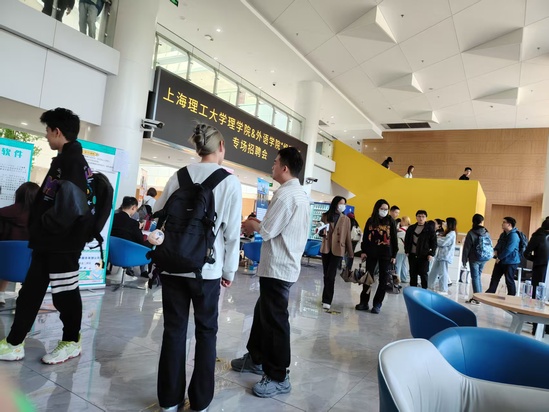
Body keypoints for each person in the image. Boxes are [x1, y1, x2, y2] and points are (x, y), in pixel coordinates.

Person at [154, 124, 242, 412]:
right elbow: (232, 235)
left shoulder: (178, 176)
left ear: (198, 147)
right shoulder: (229, 182)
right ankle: (200, 402)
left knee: (173, 330)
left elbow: (159, 213)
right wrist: (229, 272)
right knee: (206, 332)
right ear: (221, 147)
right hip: (207, 270)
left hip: (172, 266)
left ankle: (169, 401)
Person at [0, 108, 92, 364]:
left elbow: (70, 208)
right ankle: (14, 342)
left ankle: (71, 341)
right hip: (48, 242)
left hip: (62, 243)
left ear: (57, 131)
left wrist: (43, 224)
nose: (46, 136)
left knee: (65, 294)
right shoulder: (65, 160)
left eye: (47, 131)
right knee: (30, 292)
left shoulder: (72, 162)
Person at [230, 147, 309, 399]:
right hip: (281, 265)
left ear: (284, 168)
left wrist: (251, 224)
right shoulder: (298, 193)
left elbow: (267, 231)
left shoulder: (286, 196)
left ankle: (278, 376)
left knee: (275, 322)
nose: (272, 166)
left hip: (279, 266)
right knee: (263, 313)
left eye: (275, 163)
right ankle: (256, 358)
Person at [0, 182, 40, 304]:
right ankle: (28, 297)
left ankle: (0, 294)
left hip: (3, 267)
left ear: (18, 195)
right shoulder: (41, 219)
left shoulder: (2, 213)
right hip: (30, 270)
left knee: (7, 256)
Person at [356, 199, 398, 314]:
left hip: (386, 254)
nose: (384, 211)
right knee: (368, 278)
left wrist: (394, 255)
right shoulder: (371, 220)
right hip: (371, 253)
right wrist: (363, 251)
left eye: (386, 209)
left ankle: (377, 304)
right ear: (377, 209)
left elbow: (394, 238)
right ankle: (364, 302)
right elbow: (365, 236)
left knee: (383, 280)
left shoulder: (391, 221)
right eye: (382, 209)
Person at [318, 196, 353, 310]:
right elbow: (320, 231)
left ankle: (327, 300)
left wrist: (351, 253)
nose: (343, 206)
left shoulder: (346, 219)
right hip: (326, 247)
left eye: (344, 204)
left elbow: (347, 236)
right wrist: (321, 232)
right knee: (326, 274)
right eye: (340, 203)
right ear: (335, 204)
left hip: (338, 249)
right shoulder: (325, 216)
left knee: (331, 275)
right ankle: (325, 298)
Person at [110, 196, 150, 277]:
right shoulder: (133, 223)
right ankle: (143, 271)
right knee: (149, 243)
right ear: (133, 207)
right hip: (128, 255)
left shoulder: (112, 218)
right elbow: (140, 240)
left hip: (111, 253)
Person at [524, 217, 549, 334]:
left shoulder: (537, 236)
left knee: (538, 296)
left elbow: (526, 253)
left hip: (540, 268)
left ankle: (536, 326)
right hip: (546, 269)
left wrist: (537, 259)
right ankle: (546, 327)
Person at [486, 217, 520, 296]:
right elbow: (499, 244)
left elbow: (509, 249)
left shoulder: (514, 236)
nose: (502, 224)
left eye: (504, 222)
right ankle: (489, 294)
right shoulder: (503, 234)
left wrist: (500, 257)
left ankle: (511, 297)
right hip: (500, 260)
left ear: (509, 224)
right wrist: (495, 250)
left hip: (510, 262)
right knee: (494, 278)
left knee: (509, 280)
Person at [462, 214, 490, 305]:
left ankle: (477, 298)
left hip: (474, 258)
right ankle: (479, 296)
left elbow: (467, 248)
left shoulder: (471, 232)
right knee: (478, 276)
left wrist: (464, 260)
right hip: (484, 257)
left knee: (475, 277)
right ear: (481, 221)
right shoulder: (486, 231)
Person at [404, 210, 437, 289]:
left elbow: (434, 243)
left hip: (424, 255)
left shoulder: (430, 229)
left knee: (423, 274)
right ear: (416, 217)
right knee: (413, 273)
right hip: (412, 254)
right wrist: (407, 250)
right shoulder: (411, 228)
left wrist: (431, 254)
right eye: (419, 216)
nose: (421, 218)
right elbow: (407, 240)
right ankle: (413, 290)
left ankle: (424, 290)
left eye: (423, 217)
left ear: (426, 218)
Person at [429, 218, 457, 294]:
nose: (444, 223)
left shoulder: (452, 233)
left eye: (446, 222)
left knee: (443, 273)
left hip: (445, 256)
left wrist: (435, 239)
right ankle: (429, 285)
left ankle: (443, 289)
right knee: (434, 271)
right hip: (440, 255)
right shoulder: (448, 232)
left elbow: (443, 242)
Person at [396, 216, 411, 283]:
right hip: (406, 249)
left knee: (398, 265)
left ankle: (397, 279)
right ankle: (404, 278)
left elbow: (395, 236)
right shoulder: (410, 229)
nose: (400, 222)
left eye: (401, 221)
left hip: (400, 249)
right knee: (403, 264)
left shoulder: (401, 230)